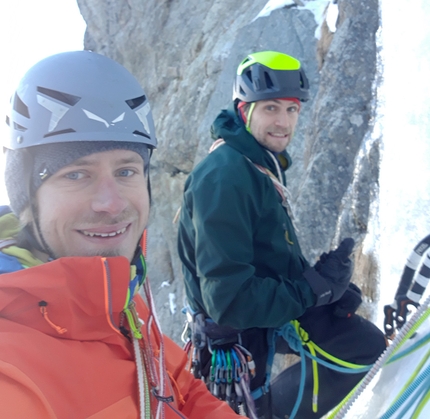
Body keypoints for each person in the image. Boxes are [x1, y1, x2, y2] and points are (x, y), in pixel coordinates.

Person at [0, 50, 241, 419]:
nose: (111, 204)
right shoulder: (12, 371)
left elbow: (180, 391)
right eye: (76, 174)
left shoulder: (122, 306)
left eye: (127, 171)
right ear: (26, 197)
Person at [177, 51, 387, 419]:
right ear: (244, 110)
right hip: (236, 329)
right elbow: (228, 300)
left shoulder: (256, 161)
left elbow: (264, 251)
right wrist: (311, 291)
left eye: (292, 110)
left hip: (264, 304)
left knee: (364, 347)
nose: (283, 122)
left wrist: (325, 287)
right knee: (260, 408)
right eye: (271, 108)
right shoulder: (224, 177)